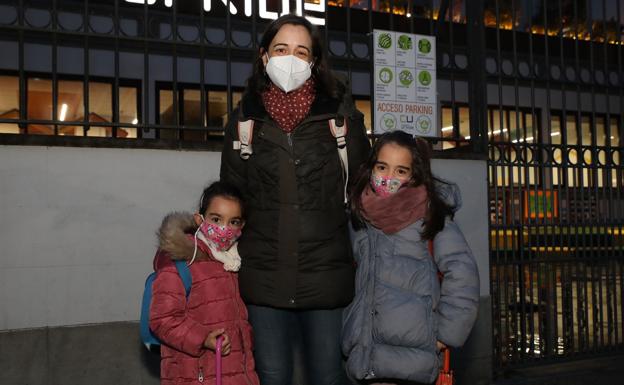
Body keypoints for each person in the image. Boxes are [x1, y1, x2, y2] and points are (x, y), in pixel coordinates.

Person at [220, 13, 371, 385]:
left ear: (315, 61)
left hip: (324, 276)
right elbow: (233, 199)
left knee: (327, 376)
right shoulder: (244, 122)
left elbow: (363, 191)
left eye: (302, 52)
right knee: (272, 376)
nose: (291, 59)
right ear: (264, 57)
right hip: (264, 277)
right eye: (281, 49)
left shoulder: (341, 118)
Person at [341, 131, 480, 385]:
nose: (389, 178)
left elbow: (463, 273)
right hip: (366, 359)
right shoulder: (359, 216)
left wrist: (445, 334)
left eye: (401, 171)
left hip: (413, 362)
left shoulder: (430, 216)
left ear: (414, 174)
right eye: (382, 167)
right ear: (371, 166)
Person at [149, 181, 260, 385]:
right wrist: (202, 338)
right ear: (200, 219)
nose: (224, 228)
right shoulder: (181, 259)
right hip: (194, 375)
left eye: (234, 221)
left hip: (238, 373)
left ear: (242, 226)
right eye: (216, 219)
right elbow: (162, 319)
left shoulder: (235, 261)